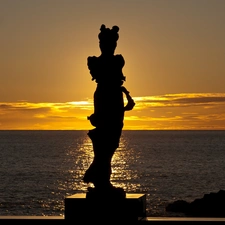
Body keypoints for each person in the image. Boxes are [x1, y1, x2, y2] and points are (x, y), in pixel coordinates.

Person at [83, 24, 135, 194]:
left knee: (111, 141)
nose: (108, 47)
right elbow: (105, 77)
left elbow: (117, 80)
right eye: (105, 43)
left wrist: (125, 98)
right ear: (101, 44)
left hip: (115, 98)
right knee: (105, 141)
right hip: (105, 97)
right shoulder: (95, 61)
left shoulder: (117, 60)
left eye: (111, 44)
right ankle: (101, 180)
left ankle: (101, 179)